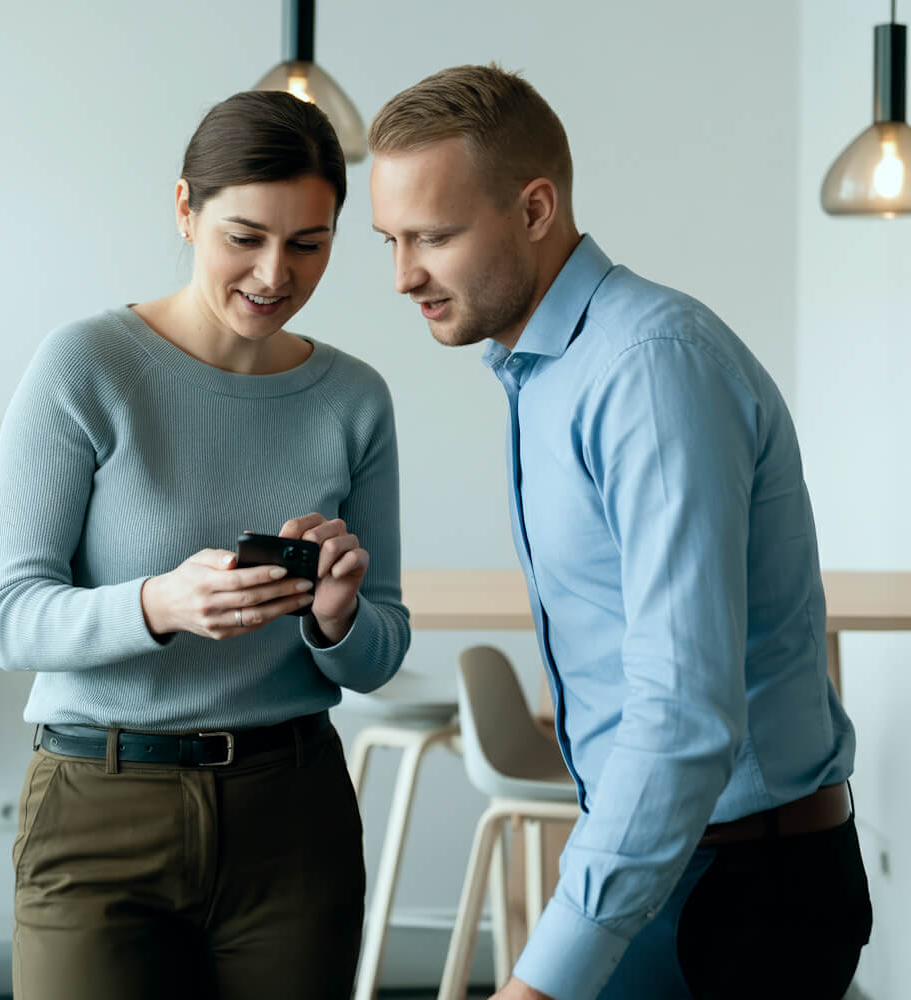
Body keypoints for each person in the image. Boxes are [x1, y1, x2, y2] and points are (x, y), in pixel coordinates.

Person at [368, 65, 871, 1000]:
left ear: (535, 207)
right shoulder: (543, 369)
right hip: (669, 866)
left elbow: (683, 712)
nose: (403, 276)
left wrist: (543, 978)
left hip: (737, 894)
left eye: (433, 236)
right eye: (390, 240)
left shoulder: (646, 369)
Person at [0, 89, 410, 1000]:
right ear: (185, 209)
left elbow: (381, 650)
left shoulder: (355, 400)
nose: (272, 274)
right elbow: (10, 619)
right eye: (243, 237)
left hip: (293, 815)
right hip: (100, 805)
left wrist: (337, 620)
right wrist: (158, 605)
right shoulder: (86, 366)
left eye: (308, 244)